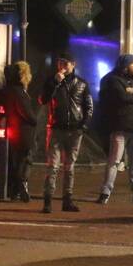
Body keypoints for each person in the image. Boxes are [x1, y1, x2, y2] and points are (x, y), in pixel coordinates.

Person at [40, 52, 93, 213]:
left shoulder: (82, 84)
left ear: (73, 64)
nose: (63, 66)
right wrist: (54, 83)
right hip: (56, 128)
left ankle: (67, 200)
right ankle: (48, 200)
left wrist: (84, 125)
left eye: (66, 63)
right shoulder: (52, 81)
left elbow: (88, 106)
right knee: (53, 166)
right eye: (60, 62)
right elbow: (43, 99)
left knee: (69, 167)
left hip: (75, 130)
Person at [97, 54, 133, 206]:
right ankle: (105, 192)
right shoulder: (113, 79)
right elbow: (122, 97)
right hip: (120, 126)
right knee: (114, 161)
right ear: (126, 65)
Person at [0, 61, 36, 202]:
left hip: (14, 129)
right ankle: (22, 183)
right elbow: (27, 113)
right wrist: (34, 120)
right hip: (24, 130)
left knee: (18, 160)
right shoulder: (19, 91)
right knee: (26, 159)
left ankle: (14, 190)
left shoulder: (9, 90)